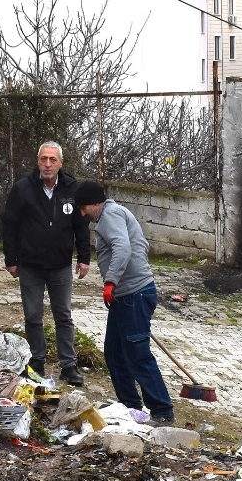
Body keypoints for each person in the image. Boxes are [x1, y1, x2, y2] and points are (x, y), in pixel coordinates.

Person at [74, 181, 174, 426]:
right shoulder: (116, 214)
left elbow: (123, 246)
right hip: (126, 296)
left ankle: (162, 411)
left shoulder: (111, 216)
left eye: (83, 207)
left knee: (138, 355)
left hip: (135, 295)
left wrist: (111, 281)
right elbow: (141, 245)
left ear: (93, 203)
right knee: (115, 351)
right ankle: (130, 406)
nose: (82, 213)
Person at [2, 141, 90, 385]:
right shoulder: (23, 189)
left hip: (61, 265)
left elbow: (81, 226)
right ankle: (37, 360)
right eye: (44, 159)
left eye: (53, 160)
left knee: (63, 315)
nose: (48, 164)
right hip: (30, 265)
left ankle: (69, 365)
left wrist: (84, 258)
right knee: (33, 315)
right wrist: (11, 259)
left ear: (61, 162)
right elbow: (9, 225)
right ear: (37, 161)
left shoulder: (73, 188)